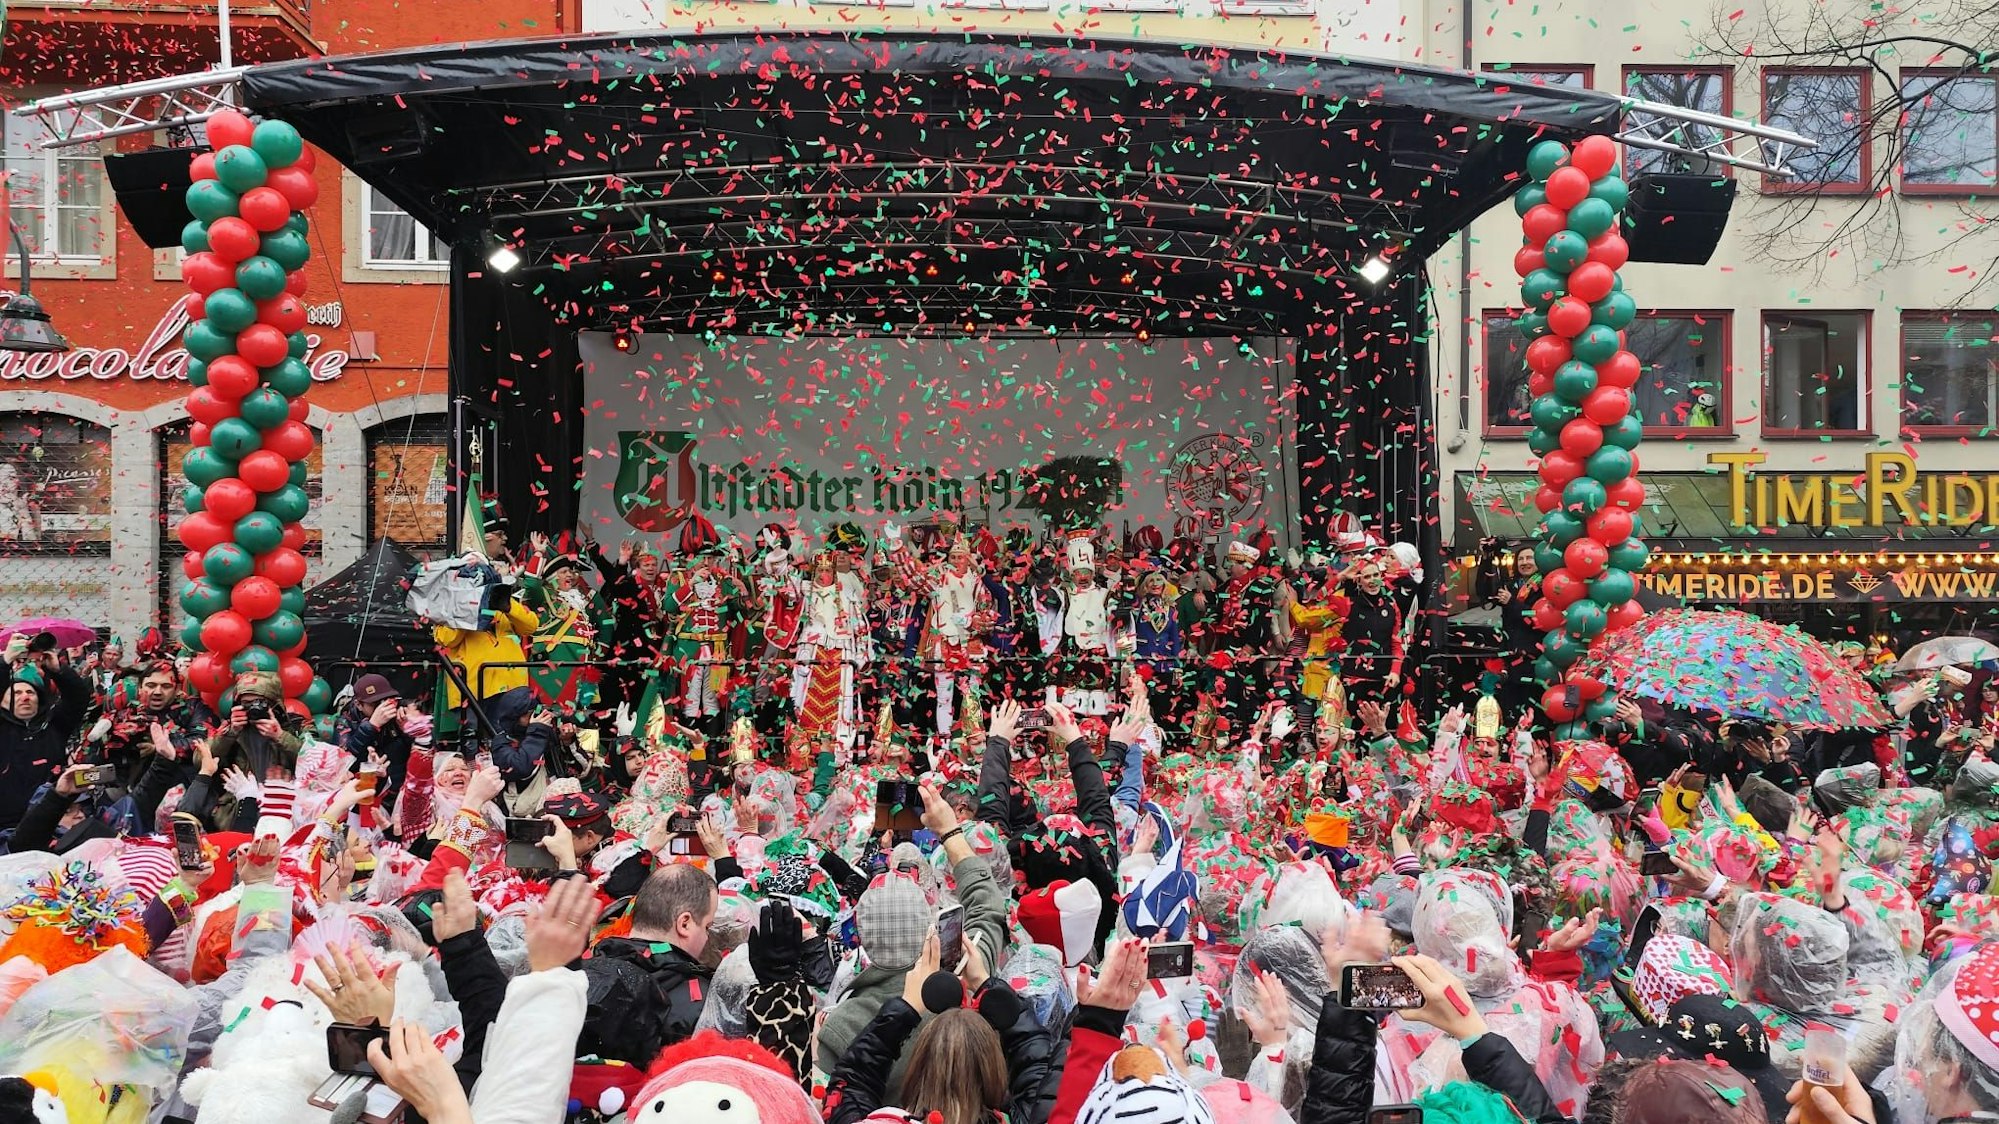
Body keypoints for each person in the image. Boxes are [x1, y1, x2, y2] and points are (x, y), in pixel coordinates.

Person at [576, 861, 719, 1064]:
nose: (707, 938)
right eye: (707, 926)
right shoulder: (706, 1002)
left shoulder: (577, 972)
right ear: (684, 923)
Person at [0, 639, 89, 840]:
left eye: (30, 692)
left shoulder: (53, 726)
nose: (25, 697)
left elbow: (78, 698)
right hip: (5, 828)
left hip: (50, 823)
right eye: (16, 693)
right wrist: (5, 661)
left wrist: (57, 670)